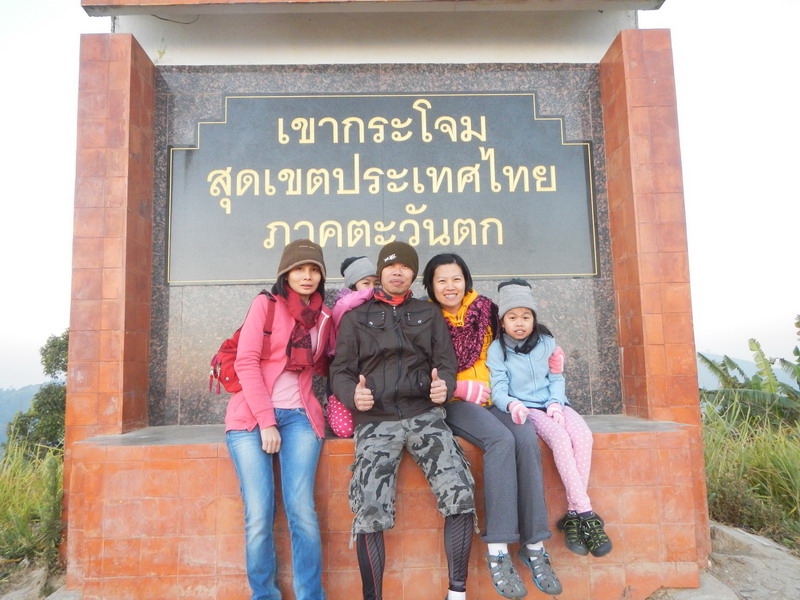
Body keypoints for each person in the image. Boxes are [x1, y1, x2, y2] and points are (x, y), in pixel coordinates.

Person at [330, 241, 476, 600]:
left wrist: (444, 386)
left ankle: (457, 592)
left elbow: (446, 363)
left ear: (413, 274)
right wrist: (353, 396)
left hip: (424, 414)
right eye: (391, 266)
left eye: (406, 267)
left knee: (460, 492)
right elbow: (340, 371)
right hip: (375, 420)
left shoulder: (428, 313)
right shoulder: (355, 318)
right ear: (381, 271)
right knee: (369, 506)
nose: (398, 272)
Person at [422, 254, 563, 599]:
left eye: (456, 279)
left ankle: (534, 544)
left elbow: (519, 338)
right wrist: (456, 387)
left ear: (466, 280)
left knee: (525, 436)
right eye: (442, 280)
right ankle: (498, 550)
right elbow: (415, 367)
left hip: (497, 395)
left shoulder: (486, 310)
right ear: (431, 286)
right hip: (453, 402)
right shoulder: (425, 317)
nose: (450, 286)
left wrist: (548, 356)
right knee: (501, 440)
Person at [225, 239, 332, 600]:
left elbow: (328, 362)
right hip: (251, 419)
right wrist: (267, 421)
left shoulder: (324, 316)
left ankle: (310, 595)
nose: (307, 276)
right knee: (259, 514)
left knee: (302, 511)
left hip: (300, 416)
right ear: (286, 273)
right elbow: (246, 362)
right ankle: (265, 595)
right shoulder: (265, 305)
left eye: (314, 269)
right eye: (299, 269)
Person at [487, 279, 612, 559]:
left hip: (554, 404)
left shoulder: (547, 343)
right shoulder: (497, 350)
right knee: (560, 439)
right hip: (528, 409)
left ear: (534, 319)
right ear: (502, 322)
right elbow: (498, 390)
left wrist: (556, 402)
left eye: (526, 316)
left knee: (583, 437)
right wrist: (512, 404)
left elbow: (556, 378)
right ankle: (586, 513)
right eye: (512, 317)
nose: (520, 323)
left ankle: (572, 514)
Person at [326, 256, 379, 438]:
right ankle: (331, 407)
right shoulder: (343, 304)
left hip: (371, 372)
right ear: (353, 285)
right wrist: (378, 291)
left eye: (376, 283)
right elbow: (348, 303)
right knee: (345, 429)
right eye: (366, 283)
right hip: (344, 371)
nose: (372, 287)